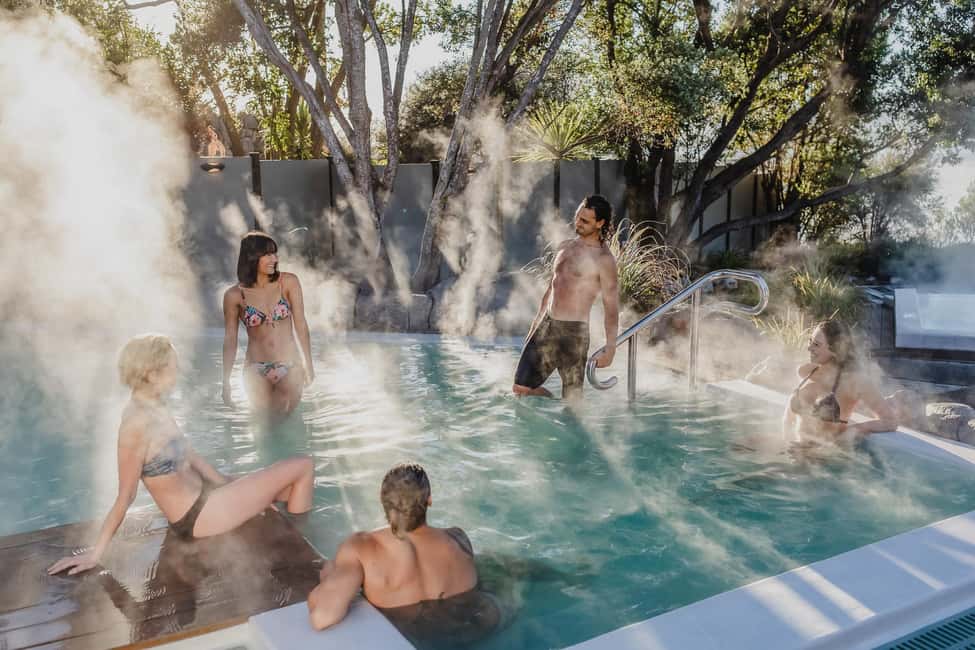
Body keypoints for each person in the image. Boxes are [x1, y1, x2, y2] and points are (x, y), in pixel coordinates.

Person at [48, 334, 315, 576]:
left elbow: (191, 456)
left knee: (286, 489)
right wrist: (95, 554)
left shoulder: (155, 407)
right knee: (303, 466)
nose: (178, 372)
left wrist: (230, 485)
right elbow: (125, 496)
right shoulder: (134, 425)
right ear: (151, 373)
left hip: (208, 497)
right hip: (198, 516)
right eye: (172, 367)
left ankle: (295, 540)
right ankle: (299, 552)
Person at [307, 463, 501, 645]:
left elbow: (321, 618)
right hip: (470, 636)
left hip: (404, 639)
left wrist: (330, 575)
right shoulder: (458, 538)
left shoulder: (362, 547)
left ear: (383, 500)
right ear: (429, 500)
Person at [513, 195, 620, 400]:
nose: (577, 223)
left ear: (600, 223)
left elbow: (611, 306)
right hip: (548, 326)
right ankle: (551, 404)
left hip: (574, 334)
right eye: (577, 217)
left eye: (585, 221)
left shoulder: (603, 260)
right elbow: (552, 288)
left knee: (572, 402)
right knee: (521, 388)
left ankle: (564, 416)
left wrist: (610, 348)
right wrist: (535, 325)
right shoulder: (565, 247)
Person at [222, 231, 314, 419]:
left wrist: (308, 364)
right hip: (255, 367)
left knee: (281, 412)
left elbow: (301, 325)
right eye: (268, 254)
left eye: (275, 254)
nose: (275, 259)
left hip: (290, 365)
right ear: (252, 257)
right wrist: (226, 381)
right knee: (263, 419)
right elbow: (230, 340)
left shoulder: (288, 282)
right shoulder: (234, 295)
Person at [783, 319, 897, 445]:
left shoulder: (855, 382)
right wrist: (783, 439)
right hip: (794, 448)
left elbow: (890, 421)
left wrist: (853, 430)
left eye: (816, 344)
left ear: (835, 349)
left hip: (827, 454)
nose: (809, 348)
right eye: (810, 341)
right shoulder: (806, 371)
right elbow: (789, 417)